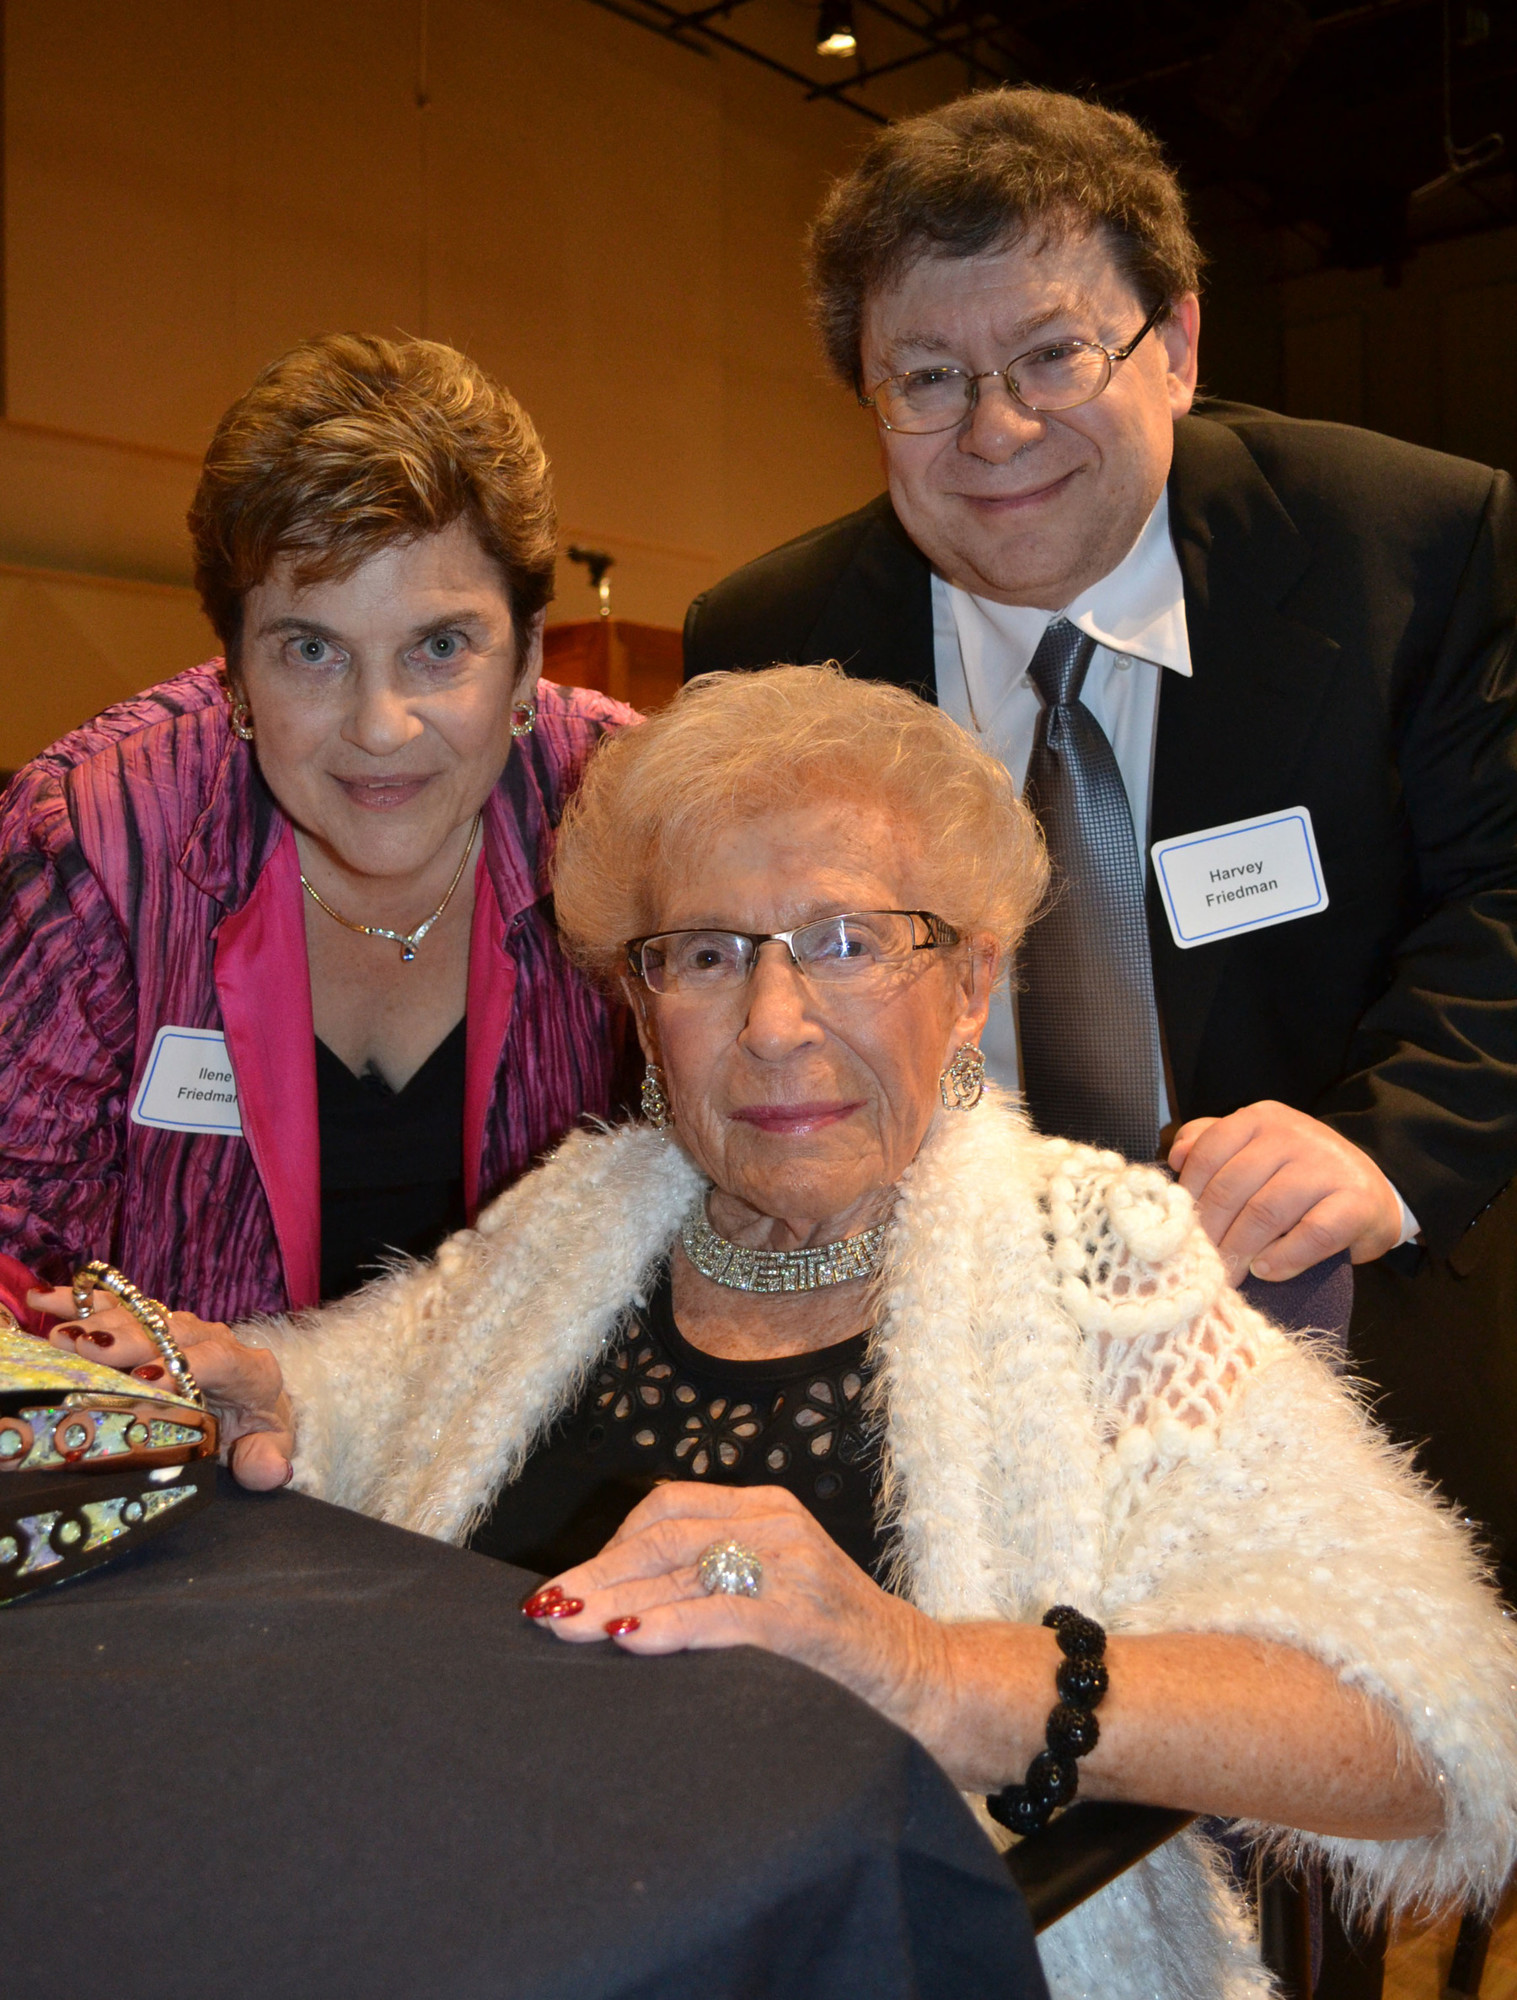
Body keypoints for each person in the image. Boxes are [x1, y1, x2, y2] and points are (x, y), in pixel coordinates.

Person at [49, 668, 1517, 2000]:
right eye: (700, 954)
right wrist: (260, 1381)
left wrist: (927, 1669)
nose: (771, 1020)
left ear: (972, 982)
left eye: (845, 942)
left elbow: (1433, 1723)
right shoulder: (592, 1212)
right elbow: (391, 1387)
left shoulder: (1094, 1263)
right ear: (640, 999)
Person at [681, 88, 1517, 1596]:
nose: (994, 431)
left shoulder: (1411, 546)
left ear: (1178, 346)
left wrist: (1380, 1150)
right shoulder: (772, 646)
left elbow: (1508, 895)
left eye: (1053, 355)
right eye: (923, 379)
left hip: (1331, 1347)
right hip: (941, 1394)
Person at [0, 333, 634, 1324]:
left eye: (438, 646)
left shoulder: (633, 815)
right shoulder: (94, 843)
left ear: (524, 659)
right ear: (235, 670)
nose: (379, 727)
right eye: (311, 650)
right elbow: (15, 1251)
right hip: (189, 1458)